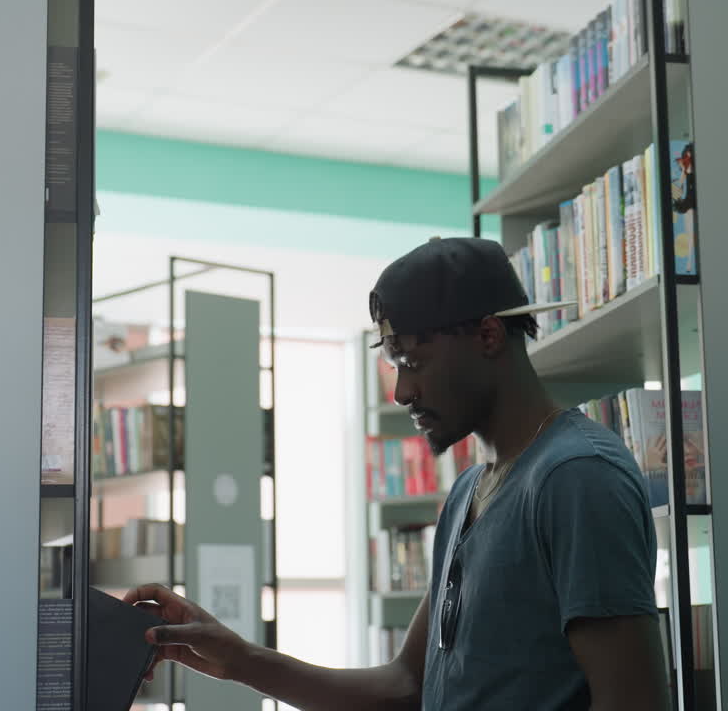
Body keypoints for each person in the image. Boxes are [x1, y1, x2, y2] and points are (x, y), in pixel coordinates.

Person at [125, 238, 670, 710]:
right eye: (394, 365)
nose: (402, 393)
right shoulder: (466, 495)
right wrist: (238, 659)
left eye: (413, 361)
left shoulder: (576, 478)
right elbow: (406, 686)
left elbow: (634, 703)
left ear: (487, 337)